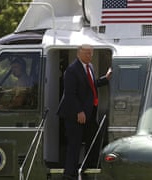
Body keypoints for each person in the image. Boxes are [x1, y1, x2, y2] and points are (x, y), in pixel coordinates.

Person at [57, 44, 112, 179]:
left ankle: (88, 168)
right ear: (78, 54)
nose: (90, 56)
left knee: (94, 138)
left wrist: (105, 79)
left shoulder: (90, 67)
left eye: (91, 53)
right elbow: (70, 94)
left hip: (89, 112)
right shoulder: (71, 70)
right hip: (74, 114)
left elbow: (91, 85)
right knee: (74, 144)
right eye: (87, 53)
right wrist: (79, 111)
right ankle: (69, 175)